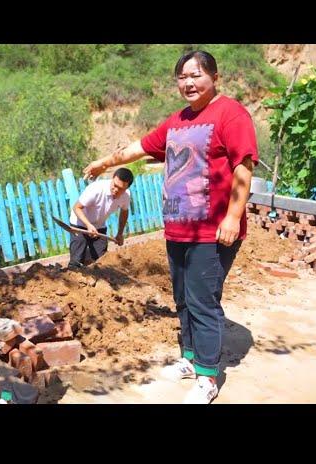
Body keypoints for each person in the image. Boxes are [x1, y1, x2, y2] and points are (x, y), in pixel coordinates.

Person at [82, 50, 258, 403]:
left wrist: (233, 217)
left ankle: (208, 378)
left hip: (213, 230)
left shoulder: (230, 113)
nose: (189, 82)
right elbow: (139, 147)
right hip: (178, 228)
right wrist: (104, 162)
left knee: (203, 301)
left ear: (214, 77)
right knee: (182, 299)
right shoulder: (177, 121)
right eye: (182, 77)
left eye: (196, 75)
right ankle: (191, 359)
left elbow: (244, 166)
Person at [68, 167, 133, 268]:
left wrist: (120, 233)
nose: (116, 190)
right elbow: (77, 208)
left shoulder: (126, 196)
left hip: (99, 227)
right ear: (113, 178)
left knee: (102, 261)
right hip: (79, 224)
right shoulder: (96, 189)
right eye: (115, 185)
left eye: (120, 189)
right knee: (76, 262)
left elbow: (124, 212)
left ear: (126, 189)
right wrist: (88, 225)